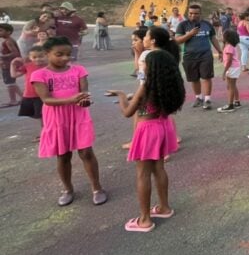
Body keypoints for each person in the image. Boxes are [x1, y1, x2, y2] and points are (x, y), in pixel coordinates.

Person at [107, 50, 185, 232]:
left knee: (142, 174)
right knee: (159, 168)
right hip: (162, 126)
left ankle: (144, 220)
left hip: (147, 130)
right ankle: (164, 207)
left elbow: (127, 112)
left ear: (152, 68)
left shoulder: (146, 86)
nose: (142, 65)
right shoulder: (170, 84)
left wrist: (120, 95)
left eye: (145, 63)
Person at [31, 37, 107, 207]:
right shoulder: (39, 75)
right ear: (47, 53)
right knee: (63, 155)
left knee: (86, 152)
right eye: (59, 54)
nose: (65, 58)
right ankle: (68, 189)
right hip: (57, 118)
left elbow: (84, 92)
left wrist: (85, 100)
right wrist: (73, 99)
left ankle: (97, 187)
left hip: (78, 116)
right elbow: (47, 100)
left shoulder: (79, 70)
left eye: (68, 54)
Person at [175, 4, 222, 110]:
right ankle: (198, 98)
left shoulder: (207, 24)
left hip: (205, 55)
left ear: (200, 14)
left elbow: (213, 38)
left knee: (206, 77)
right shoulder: (183, 25)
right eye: (191, 13)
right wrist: (190, 34)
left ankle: (207, 100)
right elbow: (177, 41)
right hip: (189, 56)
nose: (193, 15)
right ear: (188, 13)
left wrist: (220, 51)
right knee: (194, 78)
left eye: (196, 13)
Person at [11, 45, 48, 123]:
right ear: (30, 58)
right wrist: (12, 64)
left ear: (47, 55)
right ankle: (45, 131)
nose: (38, 59)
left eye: (41, 56)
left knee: (43, 116)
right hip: (28, 95)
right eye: (34, 57)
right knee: (33, 114)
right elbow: (14, 75)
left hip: (41, 95)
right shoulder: (28, 66)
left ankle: (44, 133)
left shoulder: (49, 66)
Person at [218, 30, 241, 113]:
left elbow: (229, 60)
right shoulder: (230, 46)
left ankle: (230, 105)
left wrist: (224, 72)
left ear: (226, 38)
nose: (221, 37)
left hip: (231, 68)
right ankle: (237, 101)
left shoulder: (228, 47)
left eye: (223, 36)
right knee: (233, 85)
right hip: (234, 67)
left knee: (230, 86)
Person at [0, 23, 22, 107]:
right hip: (8, 65)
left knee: (9, 83)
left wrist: (2, 56)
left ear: (8, 32)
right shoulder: (7, 40)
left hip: (9, 65)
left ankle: (13, 100)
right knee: (11, 83)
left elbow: (15, 53)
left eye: (1, 31)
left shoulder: (8, 41)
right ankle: (22, 97)